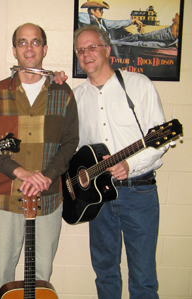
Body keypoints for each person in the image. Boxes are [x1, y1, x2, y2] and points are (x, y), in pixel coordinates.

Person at [0, 23, 79, 298]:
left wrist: (47, 175)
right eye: (22, 43)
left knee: (41, 278)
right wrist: (21, 172)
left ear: (45, 49)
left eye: (35, 42)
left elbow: (70, 142)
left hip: (48, 198)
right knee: (2, 276)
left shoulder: (63, 92)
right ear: (14, 51)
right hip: (5, 199)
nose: (29, 48)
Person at [73, 25, 167, 298]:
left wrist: (131, 165)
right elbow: (75, 149)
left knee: (143, 276)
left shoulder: (139, 85)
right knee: (105, 272)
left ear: (106, 49)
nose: (86, 54)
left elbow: (161, 140)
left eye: (92, 47)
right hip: (98, 197)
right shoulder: (77, 97)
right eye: (81, 50)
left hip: (139, 192)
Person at [79, 0, 179, 48]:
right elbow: (76, 16)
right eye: (100, 10)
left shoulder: (102, 21)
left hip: (112, 42)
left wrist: (132, 21)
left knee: (138, 37)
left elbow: (116, 24)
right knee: (139, 42)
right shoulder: (86, 19)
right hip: (108, 45)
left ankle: (168, 40)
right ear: (92, 11)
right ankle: (169, 34)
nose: (102, 12)